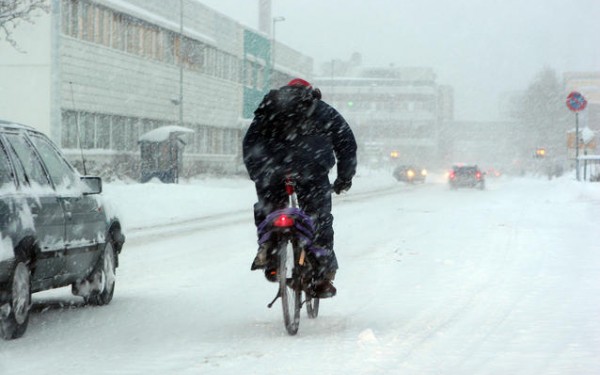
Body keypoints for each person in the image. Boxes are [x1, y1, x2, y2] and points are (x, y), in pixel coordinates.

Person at [242, 78, 357, 298]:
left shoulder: (269, 107)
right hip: (310, 170)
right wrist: (344, 177)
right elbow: (346, 143)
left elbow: (250, 142)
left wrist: (257, 172)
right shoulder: (322, 110)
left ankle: (269, 250)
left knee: (270, 210)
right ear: (310, 92)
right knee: (319, 218)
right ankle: (321, 274)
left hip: (272, 170)